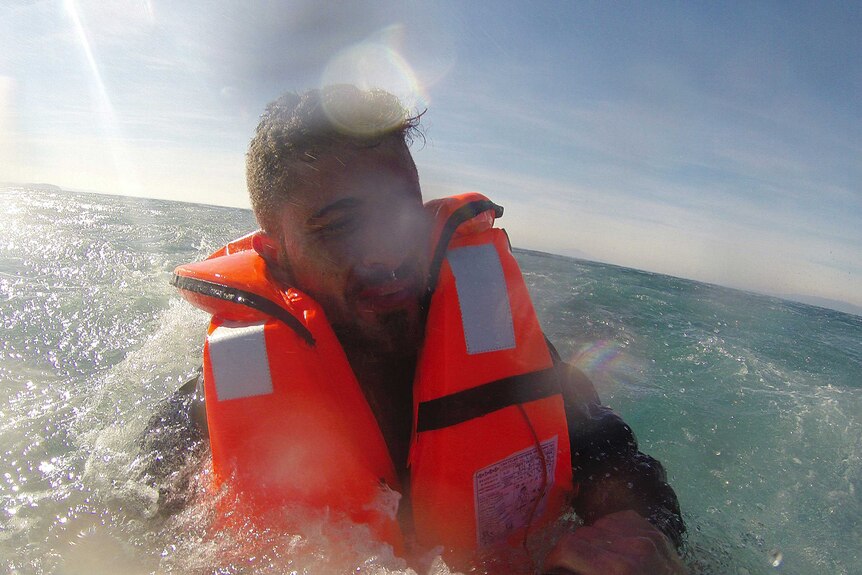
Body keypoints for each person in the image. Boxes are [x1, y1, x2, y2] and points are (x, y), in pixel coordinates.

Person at [157, 85, 687, 574]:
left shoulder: (505, 348)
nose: (388, 251)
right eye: (340, 226)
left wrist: (638, 530)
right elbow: (141, 531)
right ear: (279, 256)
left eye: (400, 213)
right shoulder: (219, 399)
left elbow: (616, 459)